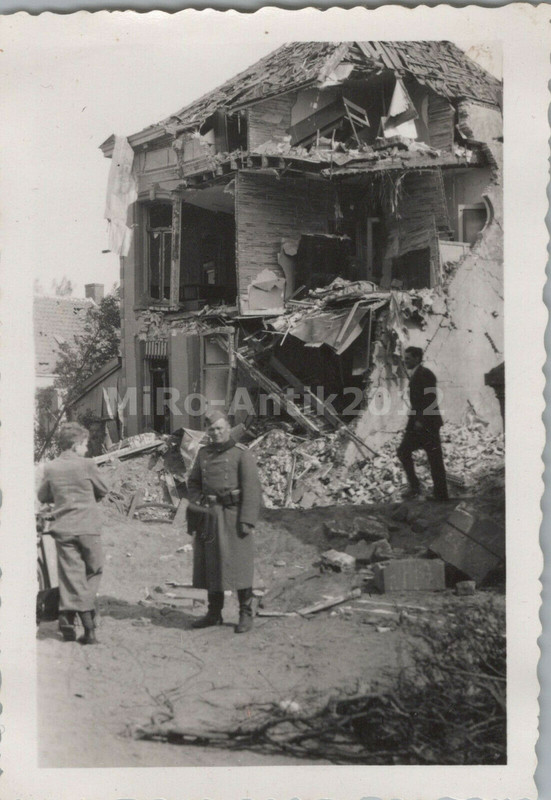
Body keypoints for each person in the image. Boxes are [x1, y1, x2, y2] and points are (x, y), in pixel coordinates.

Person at [186, 411, 262, 633]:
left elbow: (252, 489)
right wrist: (200, 501)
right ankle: (213, 613)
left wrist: (247, 520)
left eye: (219, 428)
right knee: (211, 565)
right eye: (212, 429)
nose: (216, 433)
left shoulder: (241, 454)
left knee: (240, 566)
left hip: (234, 514)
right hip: (211, 515)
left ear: (228, 428)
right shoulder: (203, 454)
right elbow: (193, 483)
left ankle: (245, 614)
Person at [37, 422, 109, 644]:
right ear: (77, 444)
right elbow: (103, 489)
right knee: (94, 570)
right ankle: (88, 626)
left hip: (64, 529)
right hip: (88, 528)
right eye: (85, 444)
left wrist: (61, 498)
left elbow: (43, 495)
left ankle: (67, 615)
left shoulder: (51, 467)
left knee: (70, 575)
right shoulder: (87, 464)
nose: (86, 449)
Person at [397, 346, 449, 501]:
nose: (405, 361)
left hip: (426, 424)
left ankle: (433, 493)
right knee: (407, 453)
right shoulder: (416, 374)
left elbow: (430, 400)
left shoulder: (425, 374)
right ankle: (418, 488)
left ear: (417, 358)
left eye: (408, 358)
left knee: (433, 459)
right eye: (404, 358)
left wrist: (420, 420)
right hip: (420, 423)